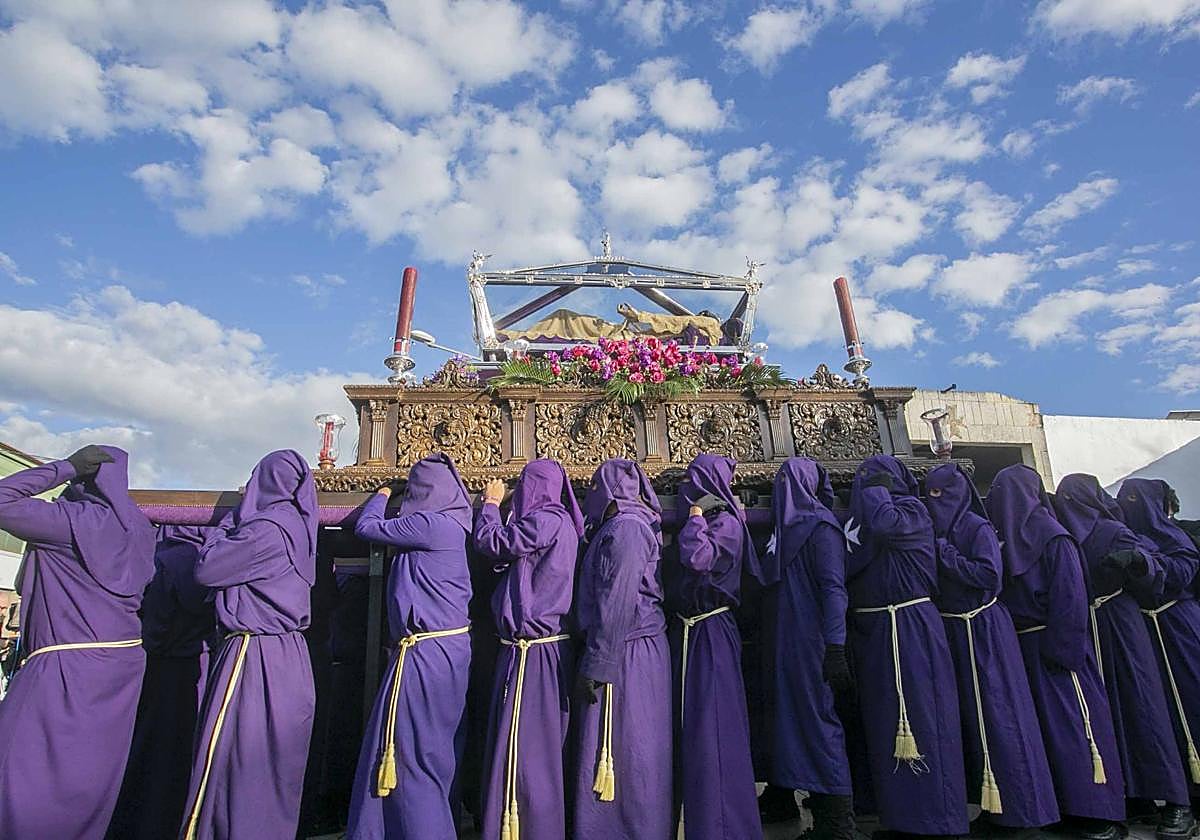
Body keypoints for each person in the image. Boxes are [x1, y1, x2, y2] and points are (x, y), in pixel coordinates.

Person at [0, 445, 155, 838]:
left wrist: (64, 468)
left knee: (18, 772)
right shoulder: (138, 530)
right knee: (88, 781)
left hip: (64, 662)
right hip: (121, 667)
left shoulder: (69, 522)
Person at [180, 449, 318, 840]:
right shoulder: (301, 530)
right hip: (291, 659)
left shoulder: (263, 530)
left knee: (232, 761)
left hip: (253, 655)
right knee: (276, 768)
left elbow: (208, 571)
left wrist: (227, 521)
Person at [987, 465, 1125, 840]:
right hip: (1022, 651)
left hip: (1056, 649)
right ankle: (1061, 806)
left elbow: (1070, 599)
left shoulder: (1054, 539)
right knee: (1046, 734)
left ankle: (1098, 813)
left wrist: (1064, 650)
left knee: (1076, 727)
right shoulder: (1005, 543)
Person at [1055, 475, 1196, 838]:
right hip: (1102, 632)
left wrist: (1138, 563)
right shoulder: (1069, 535)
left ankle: (1178, 800)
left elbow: (1163, 572)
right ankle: (1138, 796)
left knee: (1156, 711)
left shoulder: (1117, 533)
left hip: (1146, 629)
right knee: (1121, 714)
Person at [923, 463, 1060, 834]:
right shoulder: (938, 529)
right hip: (956, 631)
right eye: (929, 494)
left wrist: (944, 553)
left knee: (1002, 717)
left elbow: (987, 575)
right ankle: (991, 802)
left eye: (940, 494)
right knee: (973, 720)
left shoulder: (976, 528)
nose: (934, 501)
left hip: (983, 630)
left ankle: (1024, 810)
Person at [347, 453, 473, 840]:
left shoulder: (429, 524)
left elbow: (368, 528)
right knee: (432, 753)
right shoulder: (453, 526)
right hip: (445, 653)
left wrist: (383, 493)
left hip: (425, 656)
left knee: (411, 755)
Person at [845, 454, 968, 837]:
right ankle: (901, 819)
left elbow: (885, 525)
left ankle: (938, 821)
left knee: (925, 721)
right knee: (885, 726)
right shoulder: (857, 522)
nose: (867, 485)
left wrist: (878, 489)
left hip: (911, 627)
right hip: (877, 631)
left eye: (877, 479)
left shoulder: (912, 510)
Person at [473, 459, 584, 840]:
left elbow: (494, 543)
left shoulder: (545, 521)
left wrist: (490, 505)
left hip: (532, 654)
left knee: (524, 749)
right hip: (546, 651)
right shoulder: (565, 524)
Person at [571, 459, 672, 840]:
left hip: (625, 652)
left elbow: (617, 600)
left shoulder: (627, 529)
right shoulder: (618, 527)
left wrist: (598, 663)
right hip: (622, 648)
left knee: (627, 751)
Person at [671, 454, 764, 840]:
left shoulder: (725, 522)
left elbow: (698, 559)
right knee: (694, 730)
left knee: (716, 730)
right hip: (691, 631)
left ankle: (726, 827)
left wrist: (694, 517)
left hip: (711, 631)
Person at [107, 525, 218, 840]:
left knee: (151, 753)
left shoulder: (161, 560)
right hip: (200, 668)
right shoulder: (207, 558)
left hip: (161, 670)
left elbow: (154, 620)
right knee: (187, 755)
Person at [767, 457, 856, 839]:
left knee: (819, 722)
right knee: (791, 720)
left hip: (813, 643)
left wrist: (835, 646)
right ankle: (793, 797)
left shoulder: (821, 528)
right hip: (787, 641)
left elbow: (834, 588)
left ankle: (837, 823)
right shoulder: (782, 532)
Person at [1117, 479, 1200, 813]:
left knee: (1191, 704)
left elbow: (1182, 570)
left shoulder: (1174, 536)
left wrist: (1145, 563)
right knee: (1156, 712)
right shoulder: (1121, 534)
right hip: (1144, 633)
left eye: (1136, 499)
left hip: (1178, 627)